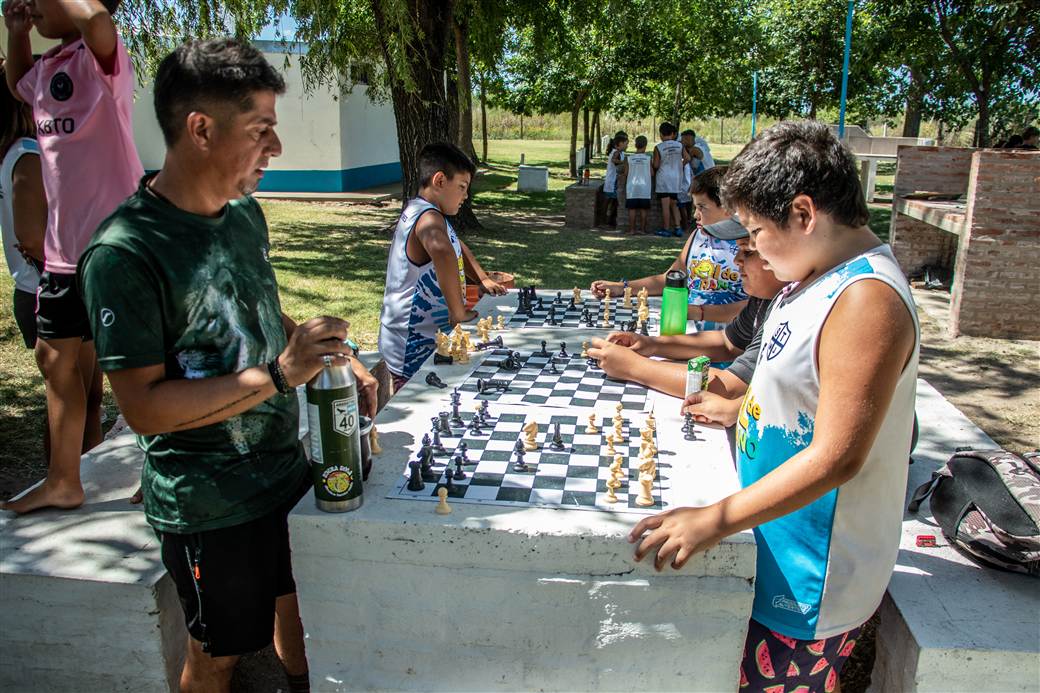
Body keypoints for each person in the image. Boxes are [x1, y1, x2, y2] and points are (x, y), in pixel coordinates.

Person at [78, 39, 378, 693]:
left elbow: (264, 313)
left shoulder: (244, 215)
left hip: (282, 465)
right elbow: (144, 407)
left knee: (305, 613)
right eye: (261, 130)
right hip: (209, 502)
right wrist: (277, 375)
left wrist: (331, 353)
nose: (275, 148)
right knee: (218, 653)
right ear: (202, 129)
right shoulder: (124, 253)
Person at [629, 120, 919, 693]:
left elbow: (836, 458)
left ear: (805, 215)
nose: (752, 247)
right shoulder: (807, 278)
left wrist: (713, 519)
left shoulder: (867, 300)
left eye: (758, 231)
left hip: (811, 573)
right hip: (771, 539)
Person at [2, 0, 141, 513]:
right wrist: (18, 32)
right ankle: (64, 480)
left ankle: (162, 467)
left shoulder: (101, 61)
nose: (33, 6)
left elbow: (98, 22)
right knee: (53, 359)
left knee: (136, 364)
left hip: (117, 249)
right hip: (63, 255)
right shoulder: (46, 69)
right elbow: (18, 82)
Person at [587, 216, 785, 398]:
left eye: (748, 252)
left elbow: (729, 386)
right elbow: (728, 343)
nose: (736, 261)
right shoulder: (765, 298)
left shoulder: (789, 307)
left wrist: (633, 367)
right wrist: (652, 344)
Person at [378, 142, 506, 392]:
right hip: (412, 345)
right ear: (439, 181)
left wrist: (481, 278)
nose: (465, 196)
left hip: (416, 338)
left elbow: (456, 246)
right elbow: (442, 250)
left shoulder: (428, 213)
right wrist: (458, 312)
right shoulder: (428, 218)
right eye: (461, 187)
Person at [591, 167, 747, 327]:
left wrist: (696, 312)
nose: (695, 215)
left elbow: (757, 309)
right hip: (692, 334)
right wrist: (622, 287)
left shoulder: (749, 246)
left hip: (731, 340)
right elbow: (671, 279)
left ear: (728, 208)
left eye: (702, 207)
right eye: (695, 207)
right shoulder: (698, 237)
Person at [652, 121, 689, 237]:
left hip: (664, 178)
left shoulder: (658, 147)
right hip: (676, 178)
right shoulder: (680, 145)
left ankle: (666, 229)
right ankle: (678, 228)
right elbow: (687, 158)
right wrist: (681, 165)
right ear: (673, 133)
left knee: (665, 205)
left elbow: (656, 165)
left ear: (661, 134)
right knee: (674, 204)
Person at [622, 135, 652, 235]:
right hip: (645, 187)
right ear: (645, 146)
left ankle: (632, 230)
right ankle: (642, 230)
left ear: (635, 145)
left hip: (632, 187)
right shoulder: (648, 158)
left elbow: (625, 173)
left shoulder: (629, 158)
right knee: (644, 209)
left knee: (632, 209)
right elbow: (652, 173)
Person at [602, 131, 627, 227]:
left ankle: (610, 220)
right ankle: (604, 220)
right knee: (609, 201)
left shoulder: (620, 152)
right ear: (619, 145)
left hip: (614, 181)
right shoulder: (616, 152)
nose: (626, 145)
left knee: (613, 202)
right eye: (625, 143)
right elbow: (614, 160)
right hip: (612, 182)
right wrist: (623, 163)